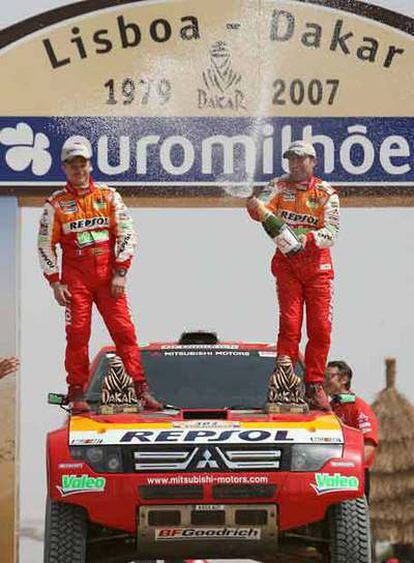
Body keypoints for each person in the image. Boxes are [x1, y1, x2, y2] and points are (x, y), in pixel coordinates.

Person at [37, 140, 161, 410]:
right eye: (73, 165)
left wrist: (120, 272)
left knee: (124, 331)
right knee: (78, 333)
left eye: (82, 164)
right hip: (75, 280)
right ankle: (77, 392)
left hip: (108, 277)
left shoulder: (109, 196)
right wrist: (55, 282)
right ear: (64, 169)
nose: (78, 170)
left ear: (90, 165)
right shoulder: (56, 204)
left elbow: (127, 234)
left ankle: (140, 388)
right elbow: (45, 244)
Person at [247, 140, 340, 410]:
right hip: (287, 266)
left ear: (313, 162)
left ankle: (313, 384)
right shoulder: (278, 186)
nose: (296, 164)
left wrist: (306, 238)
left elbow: (332, 232)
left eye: (302, 159)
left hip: (318, 268)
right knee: (289, 324)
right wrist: (253, 204)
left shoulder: (326, 193)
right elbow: (260, 212)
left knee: (320, 328)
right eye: (291, 160)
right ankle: (285, 378)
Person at [326, 360, 378, 498]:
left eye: (328, 376)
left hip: (353, 476)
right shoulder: (328, 409)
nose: (324, 381)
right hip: (327, 477)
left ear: (344, 379)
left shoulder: (358, 406)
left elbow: (369, 445)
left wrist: (348, 469)